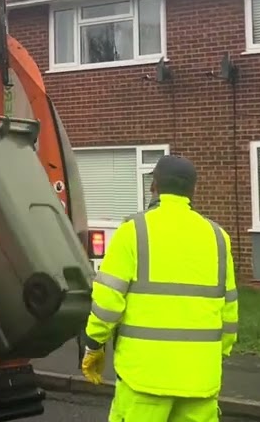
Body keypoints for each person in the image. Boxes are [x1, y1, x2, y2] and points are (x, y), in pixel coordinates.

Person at [80, 154, 238, 422]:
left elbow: (108, 302)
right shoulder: (218, 238)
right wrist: (216, 355)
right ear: (193, 189)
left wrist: (94, 346)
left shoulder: (134, 231)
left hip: (144, 376)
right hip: (200, 377)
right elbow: (229, 312)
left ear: (154, 186)